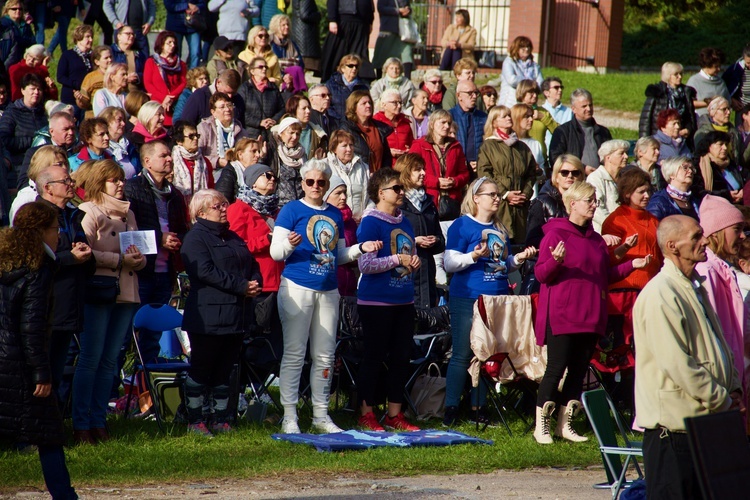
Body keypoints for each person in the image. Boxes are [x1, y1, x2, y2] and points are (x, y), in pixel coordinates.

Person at [633, 214, 742, 499]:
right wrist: (724, 399)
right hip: (675, 435)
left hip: (703, 425)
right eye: (695, 237)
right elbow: (678, 364)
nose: (704, 240)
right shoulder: (661, 293)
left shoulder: (693, 286)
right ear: (672, 246)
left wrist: (734, 386)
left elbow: (718, 345)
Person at [534, 181, 650, 444]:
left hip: (591, 314)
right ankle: (541, 425)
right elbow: (542, 274)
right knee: (556, 369)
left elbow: (604, 276)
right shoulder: (555, 234)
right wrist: (556, 261)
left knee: (578, 371)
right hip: (563, 314)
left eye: (596, 200)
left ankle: (565, 425)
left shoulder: (596, 240)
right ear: (573, 204)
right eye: (590, 200)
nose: (594, 204)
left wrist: (633, 264)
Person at [270, 159, 381, 434]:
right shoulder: (291, 209)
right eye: (310, 182)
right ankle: (290, 416)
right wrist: (288, 244)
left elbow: (338, 255)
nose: (316, 186)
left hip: (329, 289)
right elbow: (275, 253)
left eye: (321, 182)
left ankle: (321, 415)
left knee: (325, 356)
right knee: (295, 353)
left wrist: (359, 250)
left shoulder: (334, 214)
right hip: (297, 286)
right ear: (302, 183)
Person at [443, 177, 537, 426]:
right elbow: (449, 263)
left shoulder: (500, 228)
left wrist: (517, 260)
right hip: (468, 296)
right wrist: (473, 255)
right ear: (476, 198)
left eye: (498, 194)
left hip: (497, 299)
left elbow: (501, 265)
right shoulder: (461, 226)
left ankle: (479, 407)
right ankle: (451, 407)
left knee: (488, 355)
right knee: (463, 353)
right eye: (492, 194)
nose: (497, 198)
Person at [0, 202, 78, 499]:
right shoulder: (38, 269)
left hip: (4, 357)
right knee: (49, 433)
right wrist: (41, 373)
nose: (59, 235)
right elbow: (31, 326)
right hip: (20, 362)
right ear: (42, 232)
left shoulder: (7, 262)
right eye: (56, 228)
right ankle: (64, 495)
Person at [74, 159, 146, 444]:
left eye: (121, 179)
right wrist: (119, 260)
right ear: (99, 182)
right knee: (90, 358)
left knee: (110, 361)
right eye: (113, 180)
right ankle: (81, 424)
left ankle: (98, 420)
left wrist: (137, 260)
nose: (120, 184)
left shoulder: (128, 213)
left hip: (126, 292)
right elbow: (83, 251)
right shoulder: (88, 211)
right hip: (100, 292)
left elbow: (137, 253)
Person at [181, 189, 261, 436]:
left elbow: (251, 263)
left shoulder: (232, 236)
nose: (224, 208)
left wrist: (255, 282)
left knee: (224, 369)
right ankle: (195, 420)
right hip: (208, 317)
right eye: (218, 206)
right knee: (202, 368)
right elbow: (204, 271)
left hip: (236, 315)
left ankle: (220, 418)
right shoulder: (196, 238)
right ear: (201, 212)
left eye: (224, 204)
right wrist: (241, 286)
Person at [355, 167, 423, 432]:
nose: (402, 192)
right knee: (373, 357)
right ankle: (366, 413)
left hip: (403, 300)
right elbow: (365, 264)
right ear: (380, 193)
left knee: (400, 357)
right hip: (376, 303)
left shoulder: (404, 221)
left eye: (402, 188)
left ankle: (395, 414)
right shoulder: (371, 222)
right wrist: (397, 259)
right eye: (396, 188)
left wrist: (413, 260)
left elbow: (408, 253)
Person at [35, 163, 94, 393]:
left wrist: (86, 255)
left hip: (71, 303)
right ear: (48, 188)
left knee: (57, 374)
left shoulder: (73, 215)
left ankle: (57, 424)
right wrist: (70, 258)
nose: (72, 184)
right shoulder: (36, 216)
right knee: (43, 376)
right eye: (66, 181)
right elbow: (35, 260)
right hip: (47, 306)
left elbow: (83, 258)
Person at [601, 167, 663, 369]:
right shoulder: (615, 220)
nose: (647, 196)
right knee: (623, 349)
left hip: (649, 291)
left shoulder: (653, 220)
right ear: (627, 194)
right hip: (623, 294)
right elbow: (608, 259)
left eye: (648, 191)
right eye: (641, 192)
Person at [695, 195, 748, 398]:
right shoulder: (705, 270)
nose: (743, 236)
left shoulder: (723, 268)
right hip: (719, 381)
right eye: (736, 229)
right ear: (716, 232)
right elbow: (709, 333)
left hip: (731, 374)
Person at [227, 163, 284, 340]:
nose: (272, 178)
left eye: (274, 176)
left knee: (276, 338)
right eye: (267, 175)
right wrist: (266, 239)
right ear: (252, 182)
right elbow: (235, 246)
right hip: (258, 283)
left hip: (280, 282)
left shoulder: (277, 210)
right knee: (257, 338)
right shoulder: (239, 209)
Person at [523, 155, 585, 294]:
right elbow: (531, 242)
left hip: (573, 272)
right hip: (543, 273)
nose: (570, 176)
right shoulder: (541, 203)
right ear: (556, 176)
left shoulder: (585, 204)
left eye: (575, 173)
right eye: (564, 172)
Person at [477, 105, 536, 243]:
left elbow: (531, 173)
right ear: (494, 122)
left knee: (521, 246)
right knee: (500, 244)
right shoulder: (488, 146)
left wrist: (525, 194)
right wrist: (504, 194)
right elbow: (484, 174)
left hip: (521, 206)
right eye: (504, 116)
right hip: (499, 205)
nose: (509, 118)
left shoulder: (521, 147)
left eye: (509, 115)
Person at [396, 153, 444, 309]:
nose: (423, 173)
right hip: (405, 271)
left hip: (428, 270)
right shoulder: (397, 205)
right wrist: (414, 241)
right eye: (417, 169)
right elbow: (390, 241)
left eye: (423, 169)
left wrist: (435, 240)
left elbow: (441, 240)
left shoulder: (429, 203)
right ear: (406, 172)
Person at [408, 109, 469, 219]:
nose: (447, 126)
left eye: (449, 123)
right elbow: (410, 173)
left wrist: (454, 181)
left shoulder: (456, 146)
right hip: (427, 200)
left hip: (452, 202)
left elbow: (464, 174)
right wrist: (436, 182)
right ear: (432, 124)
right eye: (443, 122)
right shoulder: (419, 145)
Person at [0, 73, 48, 189]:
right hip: (18, 169)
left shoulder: (43, 113)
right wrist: (33, 141)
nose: (36, 92)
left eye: (39, 89)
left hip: (41, 168)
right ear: (22, 90)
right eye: (32, 89)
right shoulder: (12, 113)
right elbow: (3, 140)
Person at [549, 88, 612, 174]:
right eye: (584, 106)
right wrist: (581, 168)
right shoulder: (563, 132)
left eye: (590, 105)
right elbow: (556, 159)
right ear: (574, 109)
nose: (589, 109)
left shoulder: (603, 132)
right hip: (574, 181)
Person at [17, 111, 78, 190]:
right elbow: (23, 183)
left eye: (73, 128)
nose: (71, 132)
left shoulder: (78, 151)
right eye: (65, 129)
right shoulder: (35, 153)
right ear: (52, 131)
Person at [11, 145, 71, 223]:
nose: (65, 168)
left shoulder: (63, 190)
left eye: (65, 164)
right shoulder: (26, 198)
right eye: (59, 164)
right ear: (43, 166)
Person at [319, 0, 375, 83]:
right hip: (343, 23)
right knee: (337, 54)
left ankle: (361, 83)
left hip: (362, 24)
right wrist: (332, 19)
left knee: (360, 55)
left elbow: (369, 4)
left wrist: (370, 22)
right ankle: (330, 81)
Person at [638, 61, 697, 140]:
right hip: (659, 137)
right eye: (676, 74)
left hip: (681, 138)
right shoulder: (657, 92)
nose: (680, 77)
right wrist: (645, 141)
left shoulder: (686, 93)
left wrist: (688, 129)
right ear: (668, 76)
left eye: (681, 74)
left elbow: (690, 117)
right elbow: (645, 120)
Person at [339, 90, 393, 173]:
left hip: (378, 179)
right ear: (354, 107)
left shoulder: (379, 128)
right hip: (356, 177)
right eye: (364, 103)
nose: (368, 105)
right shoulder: (346, 128)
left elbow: (386, 157)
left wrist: (384, 175)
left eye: (370, 103)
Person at [197, 92, 249, 177]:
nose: (227, 109)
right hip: (212, 172)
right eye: (222, 107)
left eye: (229, 105)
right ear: (213, 112)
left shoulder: (240, 130)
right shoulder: (204, 128)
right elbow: (198, 155)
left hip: (238, 171)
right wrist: (217, 161)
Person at [144, 31, 187, 127]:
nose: (172, 45)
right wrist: (164, 97)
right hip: (158, 104)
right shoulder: (151, 62)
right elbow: (148, 83)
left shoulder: (181, 64)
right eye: (169, 43)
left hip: (175, 104)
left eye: (174, 43)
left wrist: (171, 97)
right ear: (162, 44)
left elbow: (184, 83)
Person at [322, 175, 357, 296]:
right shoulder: (321, 220)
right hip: (329, 285)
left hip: (349, 285)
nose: (343, 197)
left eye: (345, 192)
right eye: (338, 193)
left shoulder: (351, 222)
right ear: (326, 195)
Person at [586, 139, 630, 232]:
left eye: (626, 153)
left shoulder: (625, 178)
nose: (626, 156)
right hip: (605, 232)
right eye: (621, 153)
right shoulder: (596, 178)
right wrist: (616, 226)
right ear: (608, 157)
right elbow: (597, 209)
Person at [238, 56, 285, 140]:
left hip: (270, 135)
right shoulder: (244, 88)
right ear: (252, 71)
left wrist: (274, 120)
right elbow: (240, 112)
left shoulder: (273, 88)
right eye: (260, 67)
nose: (264, 69)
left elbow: (282, 109)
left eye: (265, 67)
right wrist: (259, 122)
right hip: (250, 135)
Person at [326, 129, 369, 219]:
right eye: (344, 146)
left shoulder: (364, 167)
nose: (349, 149)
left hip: (360, 222)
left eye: (351, 145)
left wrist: (366, 216)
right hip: (334, 219)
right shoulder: (325, 166)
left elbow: (370, 196)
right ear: (334, 149)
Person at [692, 130, 744, 204]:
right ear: (709, 146)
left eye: (726, 144)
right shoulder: (700, 165)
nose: (725, 148)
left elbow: (742, 182)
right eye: (720, 144)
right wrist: (726, 195)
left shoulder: (730, 163)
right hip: (717, 206)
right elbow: (698, 192)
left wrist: (743, 192)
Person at [57, 24, 94, 122]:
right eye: (87, 37)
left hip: (88, 100)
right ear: (79, 38)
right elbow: (60, 77)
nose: (91, 40)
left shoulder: (93, 57)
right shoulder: (68, 55)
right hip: (71, 99)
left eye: (91, 37)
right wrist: (76, 84)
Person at [170, 120, 214, 203]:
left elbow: (210, 188)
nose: (196, 138)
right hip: (179, 206)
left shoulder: (205, 162)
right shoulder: (170, 160)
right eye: (191, 136)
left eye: (197, 135)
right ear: (179, 141)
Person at [267, 116, 307, 207]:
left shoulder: (302, 153)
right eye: (291, 133)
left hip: (300, 203)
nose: (295, 137)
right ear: (281, 133)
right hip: (279, 205)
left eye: (298, 134)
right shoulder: (273, 151)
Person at [516, 79, 558, 164]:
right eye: (531, 92)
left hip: (541, 160)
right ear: (522, 93)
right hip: (520, 159)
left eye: (536, 93)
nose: (535, 95)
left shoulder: (543, 112)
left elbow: (558, 132)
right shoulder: (514, 111)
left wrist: (543, 118)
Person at [647, 156, 701, 221]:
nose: (690, 171)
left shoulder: (696, 201)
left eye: (692, 168)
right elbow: (653, 227)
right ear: (671, 174)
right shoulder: (658, 202)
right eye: (685, 168)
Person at [450, 79, 487, 173]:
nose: (474, 96)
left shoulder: (483, 117)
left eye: (476, 93)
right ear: (459, 96)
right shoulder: (449, 117)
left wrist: (481, 162)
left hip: (480, 168)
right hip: (456, 169)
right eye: (470, 93)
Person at [371, 0, 413, 79]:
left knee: (407, 54)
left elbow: (408, 6)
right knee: (382, 56)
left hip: (403, 32)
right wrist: (398, 11)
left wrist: (408, 10)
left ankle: (408, 79)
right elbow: (381, 8)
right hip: (388, 29)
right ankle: (379, 78)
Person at [215, 137, 264, 203]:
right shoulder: (230, 172)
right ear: (240, 154)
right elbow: (222, 200)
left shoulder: (259, 172)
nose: (258, 155)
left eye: (259, 151)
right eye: (253, 151)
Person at [694, 97, 742, 164]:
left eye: (729, 109)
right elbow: (700, 158)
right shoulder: (703, 133)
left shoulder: (734, 132)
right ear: (714, 112)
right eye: (724, 109)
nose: (728, 112)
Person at [499, 36, 543, 109]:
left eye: (528, 46)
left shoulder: (535, 66)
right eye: (523, 47)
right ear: (516, 48)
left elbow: (540, 85)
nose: (526, 49)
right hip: (510, 104)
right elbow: (512, 80)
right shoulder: (509, 62)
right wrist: (530, 83)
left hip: (528, 106)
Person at [374, 88, 414, 166]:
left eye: (400, 103)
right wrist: (388, 152)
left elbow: (412, 143)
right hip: (384, 166)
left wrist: (409, 151)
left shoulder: (405, 123)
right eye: (394, 103)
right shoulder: (376, 122)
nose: (399, 106)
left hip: (403, 166)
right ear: (384, 105)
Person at [324, 53, 369, 122]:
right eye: (350, 66)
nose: (354, 68)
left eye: (356, 66)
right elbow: (327, 106)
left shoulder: (363, 87)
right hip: (335, 123)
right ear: (342, 68)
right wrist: (340, 120)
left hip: (356, 123)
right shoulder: (331, 84)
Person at [687, 47, 730, 118]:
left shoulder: (721, 82)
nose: (719, 69)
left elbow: (728, 100)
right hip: (702, 121)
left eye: (720, 66)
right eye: (716, 67)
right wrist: (709, 103)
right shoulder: (694, 81)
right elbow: (689, 103)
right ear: (706, 65)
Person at [269, 14, 306, 92]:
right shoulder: (270, 43)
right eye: (283, 25)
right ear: (276, 26)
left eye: (288, 24)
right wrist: (284, 75)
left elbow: (300, 62)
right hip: (277, 74)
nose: (287, 27)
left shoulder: (291, 43)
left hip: (292, 76)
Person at [101, 106, 140, 179]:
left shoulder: (129, 145)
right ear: (107, 122)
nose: (123, 124)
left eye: (123, 120)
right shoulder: (102, 149)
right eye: (119, 120)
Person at [164, 0, 205, 69]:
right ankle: (176, 74)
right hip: (175, 26)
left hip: (193, 25)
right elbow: (169, 5)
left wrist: (196, 7)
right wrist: (186, 6)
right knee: (175, 53)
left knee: (196, 53)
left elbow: (203, 3)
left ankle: (193, 75)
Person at [285, 93, 327, 158]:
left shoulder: (318, 134)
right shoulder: (282, 133)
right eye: (304, 108)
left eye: (309, 108)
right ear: (294, 110)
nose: (308, 111)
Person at [109, 25, 147, 93]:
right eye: (128, 34)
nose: (131, 36)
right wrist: (125, 78)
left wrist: (137, 77)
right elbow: (107, 72)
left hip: (136, 93)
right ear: (119, 36)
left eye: (133, 34)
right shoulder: (111, 52)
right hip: (117, 92)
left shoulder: (139, 54)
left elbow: (146, 73)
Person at [0, 0, 35, 70]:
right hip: (5, 62)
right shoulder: (3, 25)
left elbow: (32, 42)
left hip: (22, 62)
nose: (18, 11)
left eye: (20, 9)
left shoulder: (26, 26)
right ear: (7, 10)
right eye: (14, 9)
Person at [511, 103, 545, 172]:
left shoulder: (535, 143)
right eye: (526, 116)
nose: (531, 119)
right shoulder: (508, 142)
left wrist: (539, 172)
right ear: (517, 118)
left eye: (531, 116)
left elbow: (542, 169)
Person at [290, 0, 322, 73]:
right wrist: (318, 15)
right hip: (306, 40)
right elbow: (305, 15)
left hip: (300, 37)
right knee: (308, 71)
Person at [80, 45, 113, 114]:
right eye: (106, 58)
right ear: (97, 62)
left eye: (110, 57)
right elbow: (84, 102)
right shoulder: (90, 78)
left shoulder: (117, 75)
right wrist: (80, 99)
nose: (110, 60)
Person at [722, 43, 750, 116]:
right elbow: (723, 85)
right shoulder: (735, 69)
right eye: (748, 63)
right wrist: (731, 98)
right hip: (743, 106)